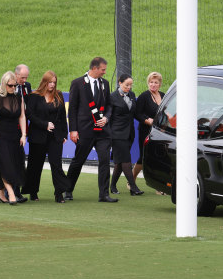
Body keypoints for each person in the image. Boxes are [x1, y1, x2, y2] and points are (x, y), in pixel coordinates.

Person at [65, 57, 116, 203]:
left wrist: (106, 118)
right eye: (103, 69)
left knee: (105, 161)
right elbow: (72, 108)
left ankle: (104, 194)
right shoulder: (77, 83)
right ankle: (68, 190)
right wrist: (73, 130)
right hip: (85, 130)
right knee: (78, 161)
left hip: (103, 132)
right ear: (94, 68)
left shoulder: (105, 84)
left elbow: (109, 106)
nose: (105, 72)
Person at [22, 71, 71, 203]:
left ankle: (59, 193)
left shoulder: (58, 95)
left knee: (56, 165)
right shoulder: (34, 96)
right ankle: (33, 191)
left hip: (55, 136)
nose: (52, 85)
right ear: (44, 82)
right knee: (35, 165)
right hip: (38, 136)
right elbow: (30, 115)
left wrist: (64, 134)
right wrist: (45, 125)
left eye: (54, 82)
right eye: (50, 82)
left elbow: (62, 116)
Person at [0, 64, 31, 203]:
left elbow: (23, 115)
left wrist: (24, 134)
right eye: (10, 85)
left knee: (15, 163)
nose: (13, 88)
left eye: (14, 85)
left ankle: (1, 193)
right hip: (0, 134)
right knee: (5, 163)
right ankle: (11, 194)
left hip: (15, 133)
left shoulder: (20, 94)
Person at [109, 74, 144, 196]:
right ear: (120, 83)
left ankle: (112, 185)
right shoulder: (112, 97)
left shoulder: (132, 95)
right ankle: (133, 187)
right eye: (126, 85)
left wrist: (147, 120)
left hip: (129, 133)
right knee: (126, 160)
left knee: (119, 161)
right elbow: (109, 116)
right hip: (117, 134)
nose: (129, 87)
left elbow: (135, 113)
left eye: (130, 85)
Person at [132, 72, 165, 189]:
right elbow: (137, 114)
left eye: (156, 82)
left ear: (160, 84)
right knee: (143, 157)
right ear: (148, 83)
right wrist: (147, 120)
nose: (153, 85)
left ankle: (159, 187)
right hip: (146, 131)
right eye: (151, 82)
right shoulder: (144, 96)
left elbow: (167, 112)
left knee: (159, 158)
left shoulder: (163, 95)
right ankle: (132, 179)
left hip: (160, 132)